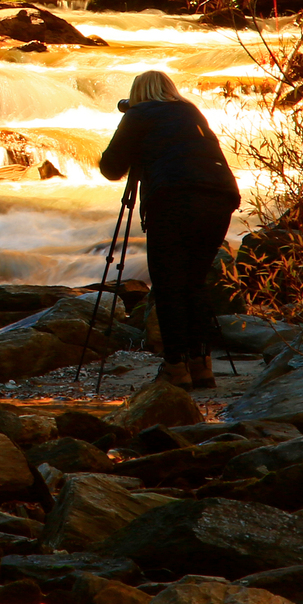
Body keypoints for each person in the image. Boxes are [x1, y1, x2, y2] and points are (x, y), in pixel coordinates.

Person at [99, 70, 241, 389]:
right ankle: (201, 364)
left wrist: (135, 144)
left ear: (138, 95)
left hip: (174, 199)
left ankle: (175, 367)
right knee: (194, 283)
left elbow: (111, 167)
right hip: (220, 198)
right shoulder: (190, 111)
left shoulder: (138, 114)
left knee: (168, 286)